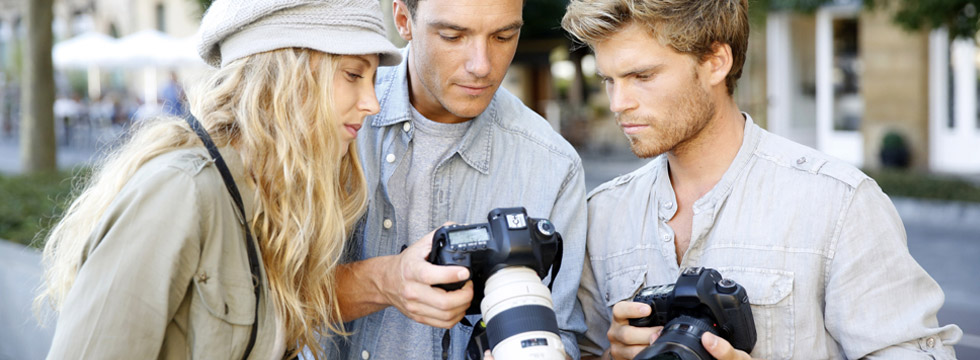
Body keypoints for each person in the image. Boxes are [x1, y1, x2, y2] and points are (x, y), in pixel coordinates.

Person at [560, 1, 962, 359]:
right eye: (609, 80)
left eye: (642, 76)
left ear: (716, 61)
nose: (618, 103)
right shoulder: (604, 213)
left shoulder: (837, 202)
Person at [36, 0, 400, 358]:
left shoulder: (268, 199)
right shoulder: (180, 190)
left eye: (373, 80)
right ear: (286, 71)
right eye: (353, 74)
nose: (372, 102)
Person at [321, 0, 588, 359]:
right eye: (452, 35)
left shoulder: (554, 165)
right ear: (403, 20)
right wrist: (385, 281)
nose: (482, 65)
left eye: (504, 36)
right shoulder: (324, 116)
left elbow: (565, 334)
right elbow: (263, 292)